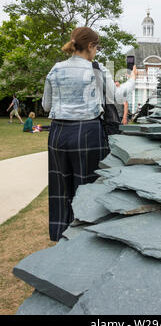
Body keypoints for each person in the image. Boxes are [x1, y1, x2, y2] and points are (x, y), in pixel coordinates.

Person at [42, 26, 137, 242]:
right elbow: (117, 95)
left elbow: (46, 106)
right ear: (91, 46)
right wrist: (133, 79)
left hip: (57, 133)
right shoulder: (96, 70)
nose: (97, 52)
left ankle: (60, 234)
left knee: (61, 187)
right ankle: (85, 237)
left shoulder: (55, 69)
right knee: (88, 188)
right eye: (97, 47)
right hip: (87, 132)